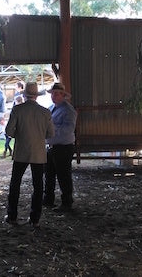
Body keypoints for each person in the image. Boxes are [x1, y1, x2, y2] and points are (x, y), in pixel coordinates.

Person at [4, 82, 54, 228]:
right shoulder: (45, 112)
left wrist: (19, 134)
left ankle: (12, 215)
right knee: (38, 186)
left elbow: (9, 131)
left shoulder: (17, 110)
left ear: (25, 95)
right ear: (36, 96)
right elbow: (51, 133)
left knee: (15, 184)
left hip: (21, 152)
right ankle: (35, 218)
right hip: (38, 152)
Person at [44, 83, 77, 213]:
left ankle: (67, 202)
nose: (54, 96)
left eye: (57, 93)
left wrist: (51, 130)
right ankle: (48, 198)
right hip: (52, 146)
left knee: (63, 175)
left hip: (63, 147)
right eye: (52, 93)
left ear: (63, 95)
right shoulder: (52, 108)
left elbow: (68, 129)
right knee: (49, 174)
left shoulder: (69, 110)